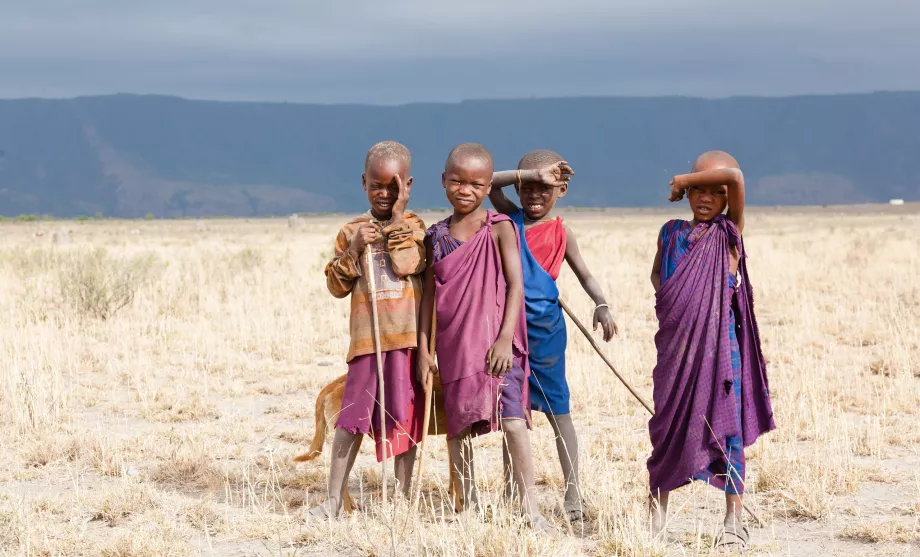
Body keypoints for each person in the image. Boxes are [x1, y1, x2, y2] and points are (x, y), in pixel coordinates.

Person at [416, 142, 553, 532]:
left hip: (497, 346)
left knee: (512, 422)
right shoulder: (436, 235)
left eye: (476, 184)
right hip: (455, 347)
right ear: (443, 181)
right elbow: (429, 296)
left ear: (487, 185)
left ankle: (530, 509)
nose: (465, 190)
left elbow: (515, 286)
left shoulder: (500, 227)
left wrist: (505, 339)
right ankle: (467, 504)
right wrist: (425, 350)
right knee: (459, 429)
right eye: (457, 181)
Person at [647, 150, 775, 550]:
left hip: (721, 352)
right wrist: (678, 307)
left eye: (714, 192)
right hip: (675, 351)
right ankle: (655, 514)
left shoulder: (729, 233)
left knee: (728, 432)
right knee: (666, 430)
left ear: (725, 199)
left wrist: (684, 179)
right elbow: (657, 273)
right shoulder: (669, 232)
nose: (704, 198)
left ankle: (733, 521)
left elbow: (736, 175)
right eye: (696, 190)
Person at [489, 149, 618, 522]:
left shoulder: (562, 232)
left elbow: (585, 275)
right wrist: (528, 174)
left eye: (545, 189)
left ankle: (573, 492)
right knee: (512, 413)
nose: (534, 195)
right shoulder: (507, 220)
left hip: (546, 334)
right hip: (507, 333)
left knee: (559, 413)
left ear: (561, 190)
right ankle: (513, 492)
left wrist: (601, 304)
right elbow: (484, 185)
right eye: (527, 187)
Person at [305, 141, 427, 520]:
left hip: (405, 341)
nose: (386, 193)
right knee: (351, 418)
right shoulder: (351, 231)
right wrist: (355, 249)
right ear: (363, 183)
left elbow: (409, 264)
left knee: (404, 418)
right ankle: (332, 501)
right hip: (366, 343)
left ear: (407, 185)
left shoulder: (415, 226)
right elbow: (336, 286)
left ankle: (404, 502)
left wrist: (397, 220)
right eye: (378, 185)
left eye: (395, 186)